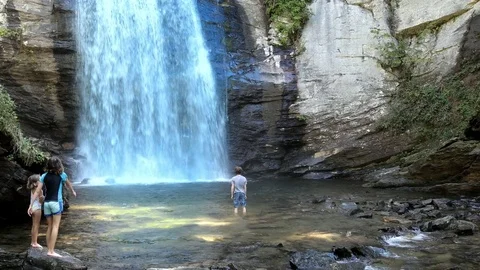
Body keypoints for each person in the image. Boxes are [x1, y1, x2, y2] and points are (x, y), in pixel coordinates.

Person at [28, 156, 76, 257]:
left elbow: (37, 191)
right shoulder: (62, 175)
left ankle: (49, 249)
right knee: (55, 226)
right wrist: (73, 191)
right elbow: (68, 184)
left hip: (46, 204)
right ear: (59, 165)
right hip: (56, 203)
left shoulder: (44, 176)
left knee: (49, 226)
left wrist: (30, 205)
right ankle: (51, 251)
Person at [27, 174, 44, 248]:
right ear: (34, 183)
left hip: (33, 207)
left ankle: (32, 242)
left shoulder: (32, 189)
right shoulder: (39, 190)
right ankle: (35, 242)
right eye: (39, 180)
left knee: (34, 225)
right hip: (37, 208)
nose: (41, 182)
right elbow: (40, 201)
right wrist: (43, 197)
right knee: (36, 225)